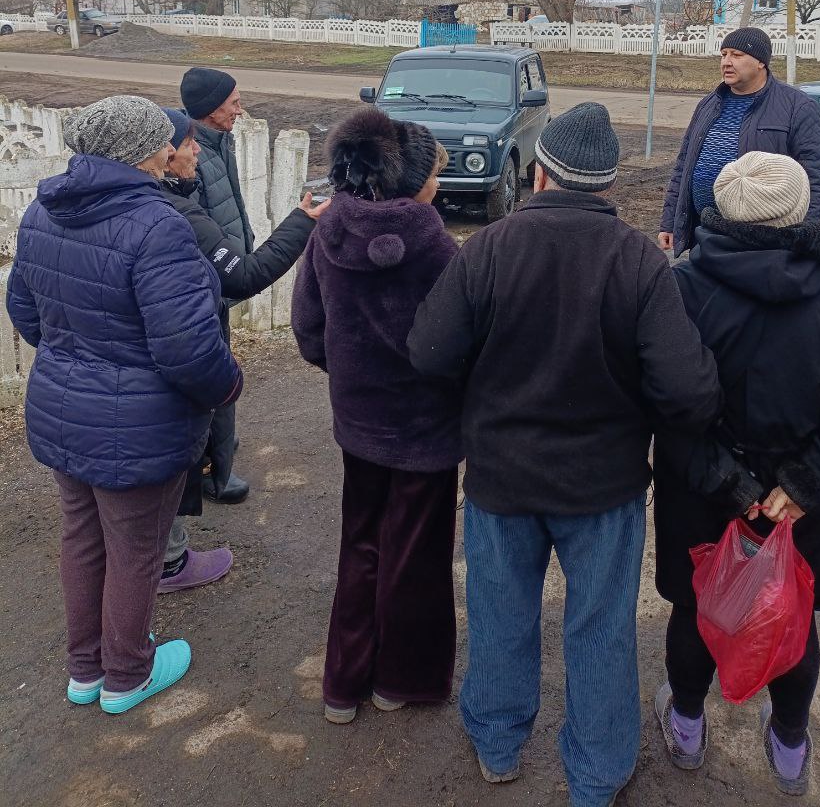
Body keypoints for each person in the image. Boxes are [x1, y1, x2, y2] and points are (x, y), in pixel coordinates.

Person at [407, 103, 722, 807]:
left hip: (501, 479)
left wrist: (481, 391)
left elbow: (428, 352)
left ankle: (497, 746)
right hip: (603, 487)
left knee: (499, 616)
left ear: (541, 173)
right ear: (607, 184)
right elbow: (688, 392)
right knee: (601, 629)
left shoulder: (488, 247)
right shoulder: (639, 260)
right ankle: (598, 774)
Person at [652, 151, 820, 796]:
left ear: (721, 209)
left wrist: (726, 480)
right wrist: (806, 484)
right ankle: (789, 742)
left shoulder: (679, 292)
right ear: (800, 212)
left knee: (698, 606)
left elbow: (664, 403)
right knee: (792, 613)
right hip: (803, 505)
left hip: (704, 491)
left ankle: (686, 723)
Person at [6, 96, 242, 714]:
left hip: (63, 410)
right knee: (136, 550)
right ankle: (128, 674)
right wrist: (227, 388)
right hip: (140, 424)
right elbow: (189, 350)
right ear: (139, 152)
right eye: (163, 140)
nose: (171, 149)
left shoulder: (42, 210)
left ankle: (85, 671)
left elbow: (24, 310)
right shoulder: (156, 224)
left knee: (82, 538)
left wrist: (75, 355)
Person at [291, 107, 459, 726]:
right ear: (411, 182)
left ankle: (343, 685)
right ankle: (400, 680)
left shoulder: (328, 233)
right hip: (426, 430)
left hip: (360, 424)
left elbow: (308, 330)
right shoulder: (438, 248)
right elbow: (458, 344)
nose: (438, 185)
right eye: (434, 176)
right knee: (417, 554)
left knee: (360, 544)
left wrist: (350, 374)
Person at [157, 107, 329, 594]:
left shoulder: (57, 207)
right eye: (187, 143)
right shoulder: (174, 216)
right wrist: (224, 382)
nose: (196, 150)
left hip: (74, 391)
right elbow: (244, 275)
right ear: (162, 154)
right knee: (158, 466)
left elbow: (23, 304)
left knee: (93, 519)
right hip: (151, 388)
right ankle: (168, 565)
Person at [657, 27, 820, 258]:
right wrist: (670, 221)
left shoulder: (797, 107)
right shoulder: (708, 104)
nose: (726, 62)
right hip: (704, 233)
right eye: (724, 54)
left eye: (737, 55)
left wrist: (798, 238)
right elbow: (683, 167)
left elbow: (818, 179)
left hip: (761, 242)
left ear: (761, 62)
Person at [180, 66, 252, 504]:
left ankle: (216, 445)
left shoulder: (218, 142)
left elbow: (230, 206)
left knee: (221, 365)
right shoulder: (193, 155)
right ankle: (213, 472)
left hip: (222, 283)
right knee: (213, 374)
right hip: (206, 286)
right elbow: (198, 231)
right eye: (234, 103)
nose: (240, 110)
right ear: (210, 110)